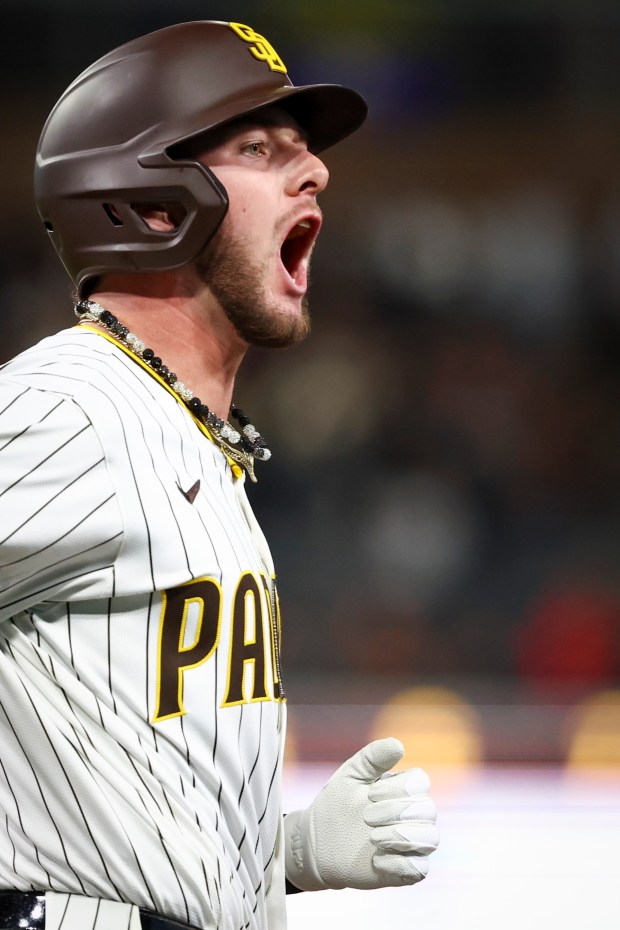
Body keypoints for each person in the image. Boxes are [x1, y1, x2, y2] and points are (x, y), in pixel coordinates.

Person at [0, 20, 439, 930]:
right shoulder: (70, 410)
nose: (314, 171)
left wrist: (287, 850)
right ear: (154, 201)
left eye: (305, 150)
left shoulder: (187, 435)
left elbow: (125, 806)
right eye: (258, 147)